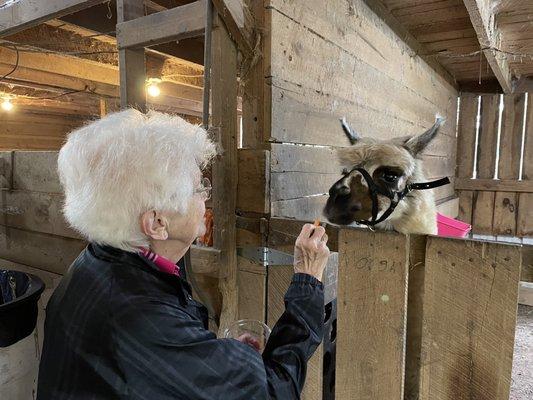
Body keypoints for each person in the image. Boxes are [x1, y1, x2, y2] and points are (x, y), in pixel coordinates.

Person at [37, 109, 330, 400]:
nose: (206, 195)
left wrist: (209, 360)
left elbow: (142, 369)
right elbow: (271, 391)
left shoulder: (96, 261)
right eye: (197, 187)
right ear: (157, 223)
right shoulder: (141, 316)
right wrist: (308, 282)